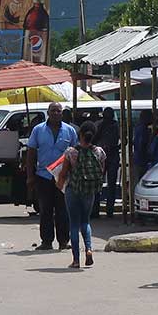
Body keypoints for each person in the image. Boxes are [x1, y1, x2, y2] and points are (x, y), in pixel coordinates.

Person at [25, 102, 77, 251]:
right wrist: (30, 176)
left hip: (63, 177)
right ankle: (46, 241)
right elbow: (31, 154)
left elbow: (75, 155)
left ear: (62, 113)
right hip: (43, 176)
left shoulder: (70, 131)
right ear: (48, 113)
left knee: (63, 210)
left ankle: (63, 241)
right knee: (45, 210)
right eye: (53, 111)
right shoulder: (38, 130)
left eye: (58, 111)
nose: (55, 113)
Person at [60, 121, 105, 269]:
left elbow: (64, 173)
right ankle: (89, 249)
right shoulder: (99, 151)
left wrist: (59, 184)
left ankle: (76, 260)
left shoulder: (71, 152)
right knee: (85, 221)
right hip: (89, 190)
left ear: (80, 134)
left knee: (74, 224)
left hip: (73, 189)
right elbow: (100, 171)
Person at [98, 107, 120, 217]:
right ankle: (96, 209)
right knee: (98, 183)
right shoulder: (100, 125)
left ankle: (109, 210)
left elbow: (123, 140)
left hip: (112, 156)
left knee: (111, 185)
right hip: (101, 156)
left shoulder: (117, 126)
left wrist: (116, 147)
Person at [131, 108, 155, 182]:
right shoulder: (143, 129)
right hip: (142, 161)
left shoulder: (138, 127)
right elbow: (141, 145)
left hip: (138, 159)